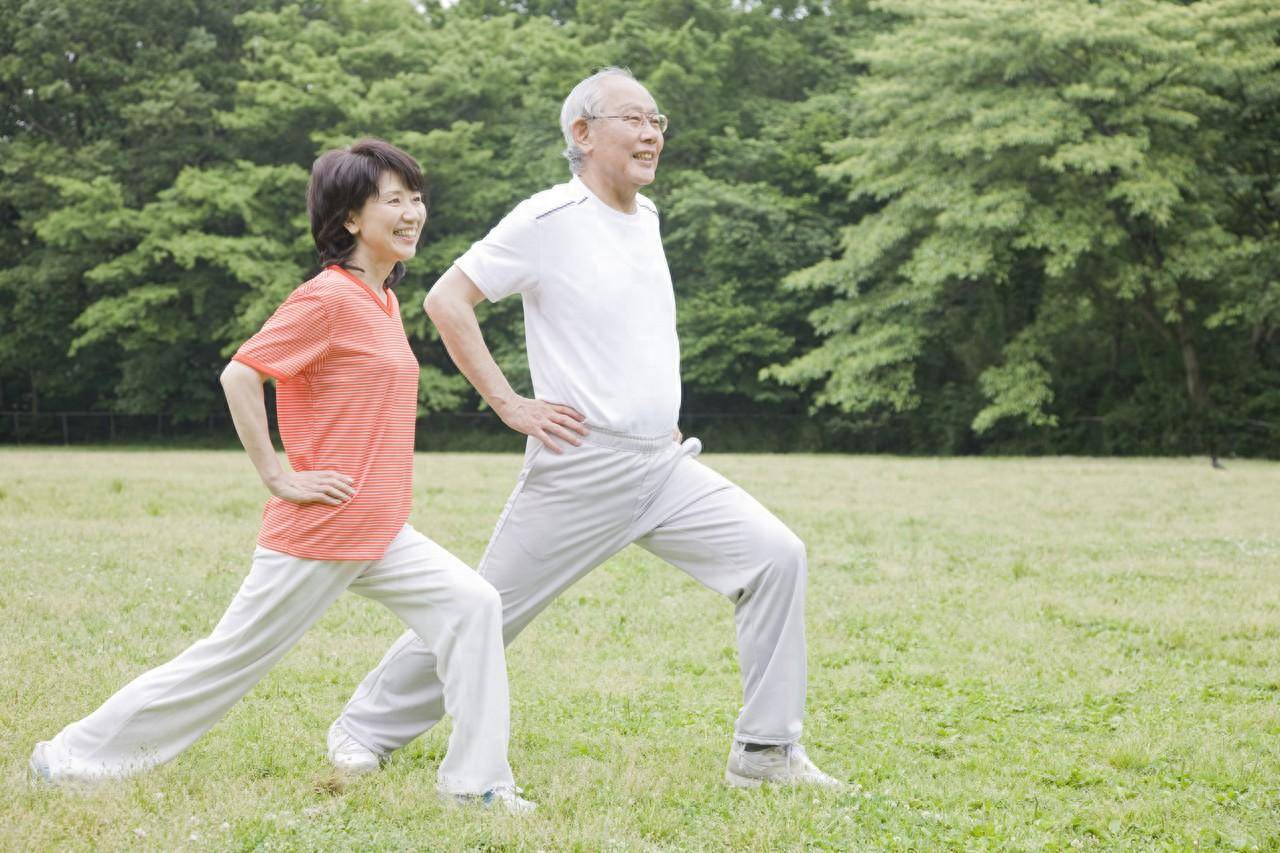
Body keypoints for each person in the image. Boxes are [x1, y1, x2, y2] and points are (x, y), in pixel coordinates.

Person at [327, 70, 841, 789]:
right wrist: (510, 403)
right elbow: (448, 299)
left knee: (776, 557)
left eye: (658, 120)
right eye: (634, 119)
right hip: (580, 466)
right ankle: (364, 728)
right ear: (582, 133)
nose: (652, 132)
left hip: (663, 467)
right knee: (488, 611)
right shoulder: (547, 219)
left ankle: (765, 753)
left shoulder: (648, 215)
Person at [28, 140, 533, 812]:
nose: (413, 212)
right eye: (395, 199)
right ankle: (70, 758)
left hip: (377, 525)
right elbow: (242, 373)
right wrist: (277, 473)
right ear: (352, 216)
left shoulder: (380, 301)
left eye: (417, 198)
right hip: (323, 527)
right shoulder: (327, 297)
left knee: (474, 604)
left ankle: (477, 783)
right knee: (229, 659)